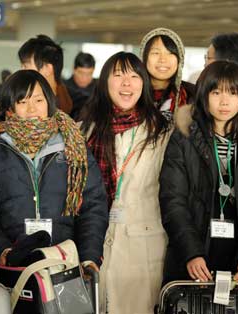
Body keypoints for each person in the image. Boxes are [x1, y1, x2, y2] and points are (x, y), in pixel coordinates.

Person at [159, 61, 238, 285]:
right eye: (216, 92)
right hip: (195, 258)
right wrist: (191, 252)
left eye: (233, 93)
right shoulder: (184, 137)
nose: (224, 101)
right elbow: (172, 200)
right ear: (204, 95)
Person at [0, 69, 108, 272]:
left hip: (65, 263)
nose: (32, 109)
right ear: (10, 109)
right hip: (11, 266)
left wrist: (89, 257)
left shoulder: (73, 146)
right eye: (22, 102)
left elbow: (93, 206)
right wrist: (2, 251)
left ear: (49, 103)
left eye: (38, 100)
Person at [80, 52, 170, 314]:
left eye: (133, 76)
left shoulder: (162, 132)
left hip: (143, 248)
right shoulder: (85, 130)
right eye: (118, 75)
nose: (126, 83)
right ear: (105, 82)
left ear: (143, 83)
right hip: (95, 244)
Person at [139, 28, 195, 121]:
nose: (163, 59)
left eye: (170, 53)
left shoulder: (194, 95)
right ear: (144, 58)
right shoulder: (131, 92)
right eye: (156, 53)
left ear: (180, 60)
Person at [18, 34, 74, 115]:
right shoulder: (19, 96)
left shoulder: (75, 103)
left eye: (26, 66)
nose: (22, 71)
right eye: (22, 66)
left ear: (47, 69)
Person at [64, 52, 97, 120]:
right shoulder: (63, 89)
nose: (84, 78)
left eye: (89, 74)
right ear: (74, 69)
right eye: (81, 73)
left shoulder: (100, 88)